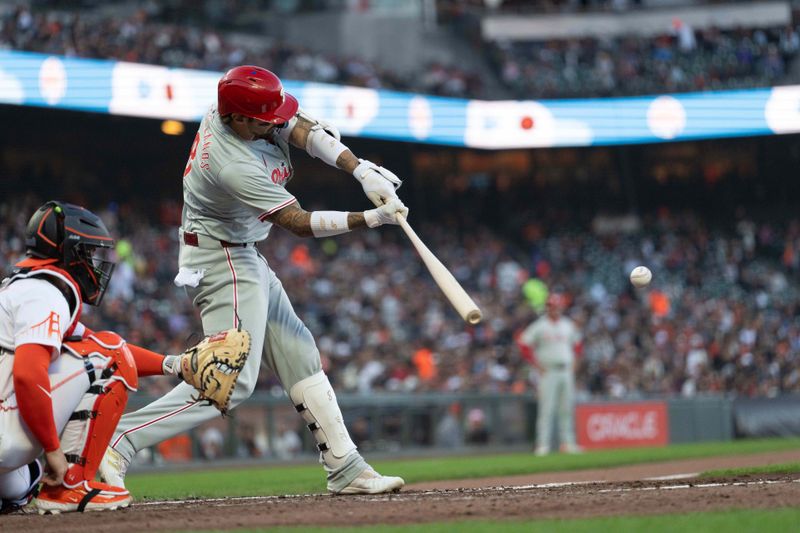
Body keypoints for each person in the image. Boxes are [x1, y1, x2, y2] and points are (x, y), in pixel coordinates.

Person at [102, 65, 408, 495]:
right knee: (227, 377)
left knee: (299, 353)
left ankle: (346, 467)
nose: (276, 121)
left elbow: (300, 128)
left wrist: (358, 169)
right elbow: (298, 223)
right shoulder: (231, 162)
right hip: (220, 256)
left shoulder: (241, 115)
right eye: (265, 117)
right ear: (240, 119)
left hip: (240, 252)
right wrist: (369, 219)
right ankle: (117, 442)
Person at [0, 201, 187, 514]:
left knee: (23, 482)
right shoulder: (44, 292)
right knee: (110, 357)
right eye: (87, 252)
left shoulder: (26, 286)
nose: (92, 262)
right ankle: (70, 486)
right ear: (70, 253)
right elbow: (28, 375)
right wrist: (53, 450)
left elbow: (94, 341)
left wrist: (177, 364)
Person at [518, 293, 582, 456]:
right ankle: (543, 445)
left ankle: (567, 443)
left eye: (556, 306)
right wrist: (536, 365)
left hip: (566, 370)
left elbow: (577, 344)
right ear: (547, 307)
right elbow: (524, 344)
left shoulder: (567, 325)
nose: (553, 309)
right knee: (547, 409)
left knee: (566, 408)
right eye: (551, 306)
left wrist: (575, 362)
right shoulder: (539, 326)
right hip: (548, 371)